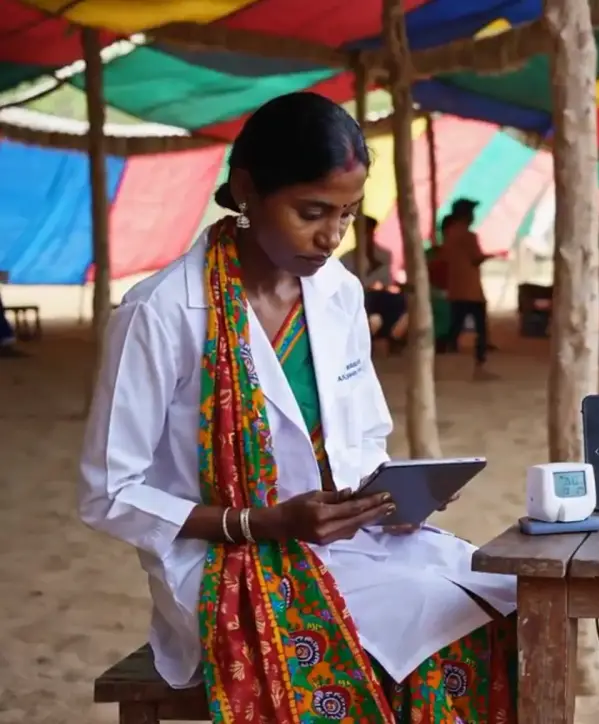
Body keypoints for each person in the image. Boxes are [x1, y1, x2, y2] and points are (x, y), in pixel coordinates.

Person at [77, 92, 518, 723]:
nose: (332, 237)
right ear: (248, 191)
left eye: (347, 214)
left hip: (348, 543)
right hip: (227, 561)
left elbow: (363, 435)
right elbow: (109, 494)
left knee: (492, 598)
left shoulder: (337, 291)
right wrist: (261, 524)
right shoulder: (163, 312)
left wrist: (389, 497)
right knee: (406, 631)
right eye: (312, 212)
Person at [440, 200, 497, 381]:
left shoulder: (448, 234)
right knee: (480, 328)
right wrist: (490, 256)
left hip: (455, 287)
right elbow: (475, 258)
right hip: (471, 289)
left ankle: (448, 360)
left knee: (455, 326)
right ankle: (480, 363)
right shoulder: (469, 236)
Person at [341, 215, 408, 349]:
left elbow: (386, 281)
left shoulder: (384, 255)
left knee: (399, 302)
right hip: (359, 297)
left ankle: (390, 338)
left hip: (381, 295)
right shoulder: (346, 259)